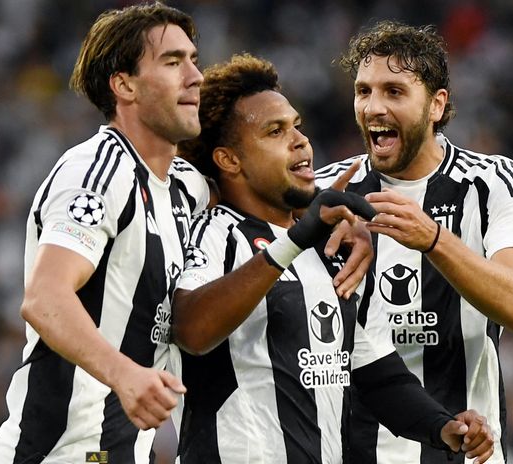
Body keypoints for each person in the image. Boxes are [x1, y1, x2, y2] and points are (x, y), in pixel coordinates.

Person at [172, 53, 494, 464]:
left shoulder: (328, 251)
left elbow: (377, 375)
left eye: (297, 127)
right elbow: (193, 330)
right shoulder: (214, 233)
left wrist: (442, 427)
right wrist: (294, 241)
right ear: (229, 160)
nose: (300, 141)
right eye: (275, 131)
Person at [0, 4, 211, 463]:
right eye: (172, 62)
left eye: (193, 59)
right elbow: (44, 299)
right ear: (124, 85)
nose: (195, 75)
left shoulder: (188, 188)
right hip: (54, 455)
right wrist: (124, 375)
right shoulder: (98, 171)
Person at [315, 20, 513, 463]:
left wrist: (434, 239)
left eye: (394, 92)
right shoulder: (328, 194)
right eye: (364, 91)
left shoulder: (492, 183)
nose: (374, 107)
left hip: (468, 451)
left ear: (436, 105)